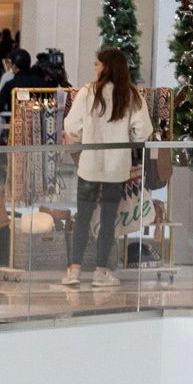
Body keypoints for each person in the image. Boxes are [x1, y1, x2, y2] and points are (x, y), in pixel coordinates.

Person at [59, 46, 150, 292]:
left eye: (98, 64)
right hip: (116, 167)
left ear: (106, 66)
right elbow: (144, 130)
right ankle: (101, 271)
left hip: (89, 165)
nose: (95, 68)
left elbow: (71, 126)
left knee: (83, 216)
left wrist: (80, 139)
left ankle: (74, 269)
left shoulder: (88, 92)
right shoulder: (130, 95)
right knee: (109, 219)